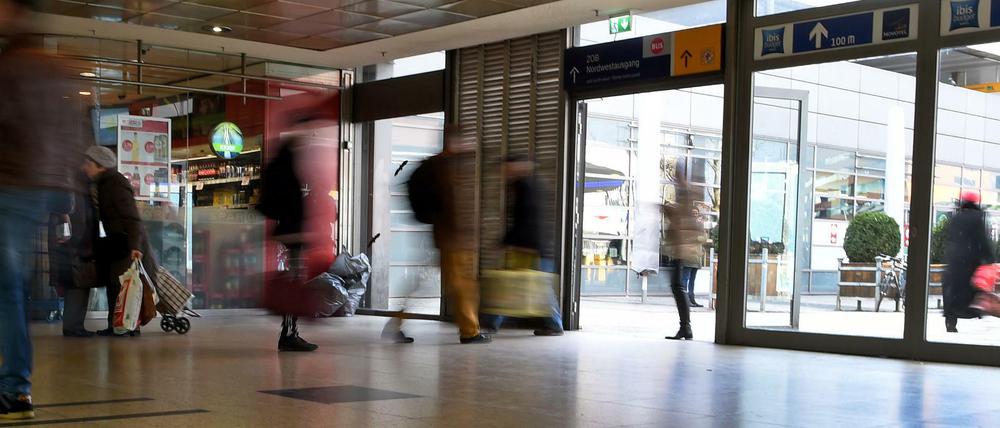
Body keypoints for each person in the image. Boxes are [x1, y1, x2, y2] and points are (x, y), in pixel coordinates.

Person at [0, 0, 90, 417]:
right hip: (47, 186)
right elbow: (77, 135)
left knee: (9, 288)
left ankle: (16, 386)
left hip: (13, 181)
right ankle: (15, 385)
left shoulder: (11, 66)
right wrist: (67, 186)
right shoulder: (60, 68)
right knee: (12, 285)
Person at [258, 134, 337, 352]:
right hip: (293, 233)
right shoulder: (287, 173)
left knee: (293, 279)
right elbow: (292, 207)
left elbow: (268, 205)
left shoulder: (276, 169)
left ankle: (289, 331)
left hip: (285, 231)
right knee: (295, 281)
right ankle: (289, 334)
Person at [481, 155, 563, 336]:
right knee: (515, 286)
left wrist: (503, 243)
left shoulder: (524, 186)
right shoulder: (532, 184)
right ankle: (493, 322)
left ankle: (555, 325)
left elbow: (523, 219)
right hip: (534, 245)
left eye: (506, 168)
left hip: (531, 247)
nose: (503, 172)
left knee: (524, 287)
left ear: (517, 166)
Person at [80, 146, 157, 337]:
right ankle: (118, 325)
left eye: (88, 164)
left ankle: (127, 325)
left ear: (100, 165)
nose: (84, 168)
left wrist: (135, 246)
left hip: (127, 244)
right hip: (118, 242)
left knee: (123, 285)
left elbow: (131, 217)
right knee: (116, 284)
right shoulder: (103, 183)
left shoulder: (115, 183)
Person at [430, 127, 490, 344]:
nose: (470, 146)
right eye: (467, 141)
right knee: (463, 286)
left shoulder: (446, 165)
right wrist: (468, 233)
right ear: (453, 142)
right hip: (455, 239)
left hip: (453, 238)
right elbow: (456, 206)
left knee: (461, 285)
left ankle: (398, 319)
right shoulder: (446, 167)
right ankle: (469, 331)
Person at [53, 175, 99, 337]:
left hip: (77, 242)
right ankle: (73, 326)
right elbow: (75, 216)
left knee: (78, 285)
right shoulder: (77, 187)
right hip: (77, 244)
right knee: (77, 285)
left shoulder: (74, 185)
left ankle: (74, 325)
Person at [943, 191, 994, 333]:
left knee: (953, 290)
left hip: (954, 259)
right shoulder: (978, 217)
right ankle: (974, 310)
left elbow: (950, 238)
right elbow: (982, 239)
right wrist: (989, 258)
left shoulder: (955, 217)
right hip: (970, 260)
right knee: (971, 288)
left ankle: (951, 320)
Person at [664, 178, 704, 341]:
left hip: (680, 254)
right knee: (678, 287)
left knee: (678, 287)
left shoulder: (686, 209)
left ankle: (686, 327)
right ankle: (685, 327)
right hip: (678, 253)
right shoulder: (683, 209)